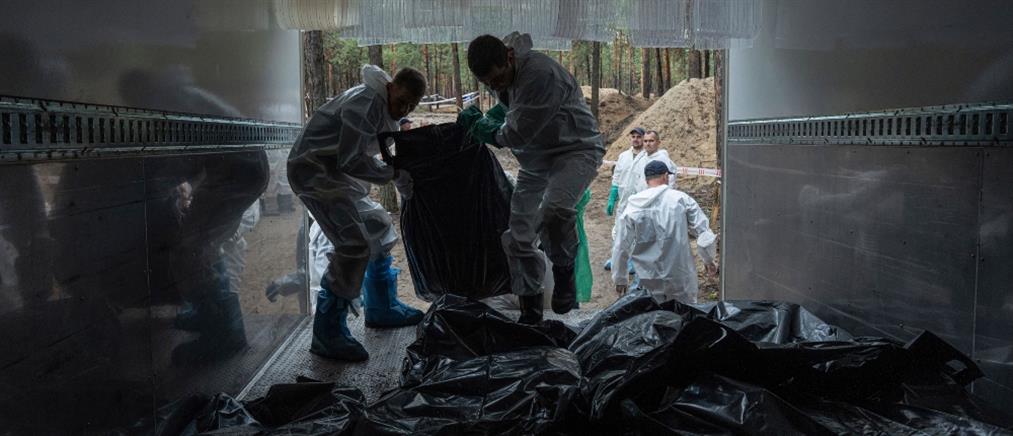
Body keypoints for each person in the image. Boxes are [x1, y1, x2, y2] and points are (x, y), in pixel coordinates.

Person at [459, 32, 605, 323]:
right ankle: (530, 310)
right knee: (519, 237)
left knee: (556, 209)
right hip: (535, 159)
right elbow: (513, 106)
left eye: (498, 79)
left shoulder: (541, 74)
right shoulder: (507, 74)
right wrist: (493, 116)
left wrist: (483, 128)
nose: (495, 86)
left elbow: (516, 133)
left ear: (509, 56)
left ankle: (564, 269)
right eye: (488, 83)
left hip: (575, 150)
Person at [287, 64, 426, 361]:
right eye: (401, 101)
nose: (403, 109)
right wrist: (392, 174)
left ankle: (381, 307)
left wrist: (393, 171)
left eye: (411, 106)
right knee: (353, 245)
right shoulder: (364, 103)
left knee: (377, 224)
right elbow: (351, 159)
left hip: (333, 170)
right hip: (313, 170)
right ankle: (327, 333)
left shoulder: (382, 105)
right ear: (390, 87)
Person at [612, 161, 718, 304]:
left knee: (653, 313)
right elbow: (703, 232)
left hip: (648, 276)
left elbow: (621, 245)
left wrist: (620, 279)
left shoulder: (634, 205)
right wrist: (708, 260)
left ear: (646, 180)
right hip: (680, 275)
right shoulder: (681, 200)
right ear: (666, 176)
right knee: (684, 312)